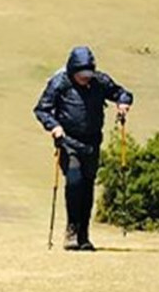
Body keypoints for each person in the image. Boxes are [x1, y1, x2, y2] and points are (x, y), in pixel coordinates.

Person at [32, 47, 133, 251]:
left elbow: (122, 93)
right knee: (75, 180)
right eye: (82, 75)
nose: (86, 79)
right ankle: (71, 230)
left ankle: (83, 235)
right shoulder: (59, 83)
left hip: (92, 142)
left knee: (87, 187)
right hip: (68, 140)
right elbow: (42, 109)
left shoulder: (99, 81)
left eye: (88, 75)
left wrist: (123, 103)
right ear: (73, 71)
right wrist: (54, 127)